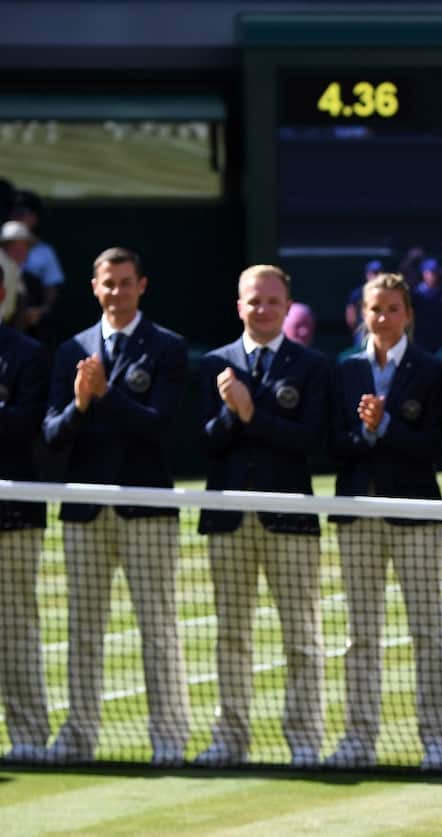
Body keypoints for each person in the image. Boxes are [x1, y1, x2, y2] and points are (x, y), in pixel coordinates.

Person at [42, 247, 191, 766]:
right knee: (83, 630)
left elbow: (158, 425)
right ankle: (78, 736)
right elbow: (52, 435)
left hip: (145, 507)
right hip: (84, 511)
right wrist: (82, 404)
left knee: (158, 627)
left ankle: (169, 740)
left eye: (126, 283)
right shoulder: (70, 351)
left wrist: (105, 395)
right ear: (94, 287)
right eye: (109, 283)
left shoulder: (169, 347)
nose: (117, 292)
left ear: (141, 286)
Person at [195, 264, 329, 768]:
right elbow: (202, 442)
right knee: (231, 634)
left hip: (289, 519)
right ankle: (229, 738)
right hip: (227, 519)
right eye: (254, 300)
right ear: (239, 306)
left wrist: (252, 414)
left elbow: (311, 442)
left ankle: (304, 743)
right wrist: (232, 413)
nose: (263, 308)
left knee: (302, 635)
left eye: (273, 301)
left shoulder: (312, 366)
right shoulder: (214, 363)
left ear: (286, 306)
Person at [325, 272, 442, 769]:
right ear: (362, 314)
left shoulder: (432, 369)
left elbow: (431, 447)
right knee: (360, 634)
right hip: (358, 514)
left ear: (408, 315)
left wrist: (388, 426)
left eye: (392, 309)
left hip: (415, 513)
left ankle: (437, 742)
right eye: (374, 309)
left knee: (428, 631)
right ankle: (358, 738)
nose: (382, 318)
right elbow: (333, 445)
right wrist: (365, 431)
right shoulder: (344, 370)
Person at [0, 284, 51, 762]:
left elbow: (22, 427)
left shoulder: (29, 355)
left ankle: (31, 737)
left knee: (15, 628)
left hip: (13, 516)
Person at [10, 191, 64, 342]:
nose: (16, 218)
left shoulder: (44, 252)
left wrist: (41, 311)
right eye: (13, 213)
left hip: (33, 328)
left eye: (21, 214)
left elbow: (51, 288)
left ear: (34, 218)